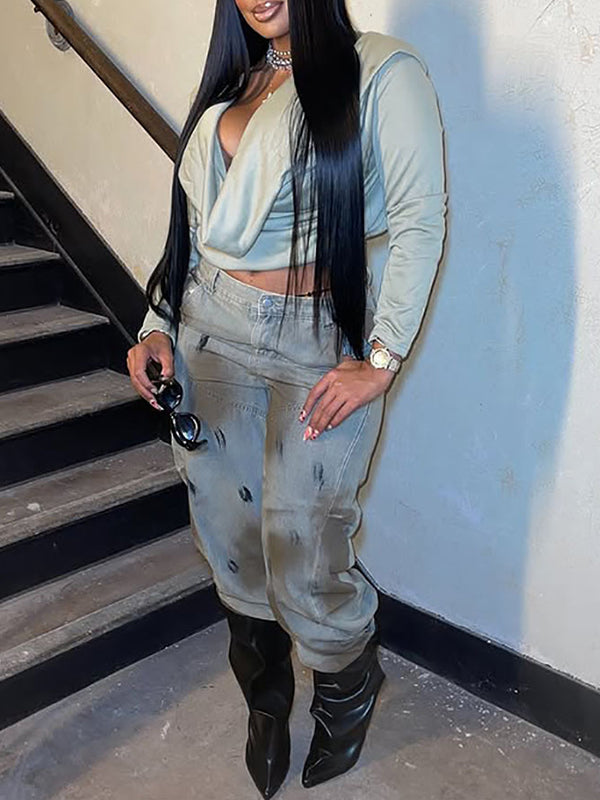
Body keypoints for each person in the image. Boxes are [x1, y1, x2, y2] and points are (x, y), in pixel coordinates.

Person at [127, 1, 447, 796]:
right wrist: (156, 326)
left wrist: (382, 360)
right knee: (229, 537)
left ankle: (346, 683)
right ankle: (265, 702)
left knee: (303, 546)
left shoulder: (381, 71)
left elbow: (419, 218)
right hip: (210, 328)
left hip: (313, 340)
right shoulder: (235, 82)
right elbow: (191, 228)